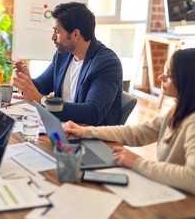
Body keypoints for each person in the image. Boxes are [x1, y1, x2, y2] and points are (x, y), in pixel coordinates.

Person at [63, 48, 195, 195]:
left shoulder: (192, 122)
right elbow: (137, 133)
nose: (160, 77)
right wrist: (84, 131)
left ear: (187, 81)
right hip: (169, 189)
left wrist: (137, 162)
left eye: (169, 75)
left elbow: (192, 177)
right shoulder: (176, 111)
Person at [12, 2, 122, 126]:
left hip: (91, 136)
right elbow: (43, 85)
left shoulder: (107, 63)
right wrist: (27, 81)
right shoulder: (63, 55)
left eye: (57, 31)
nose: (53, 37)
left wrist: (42, 101)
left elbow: (93, 112)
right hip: (62, 128)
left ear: (76, 34)